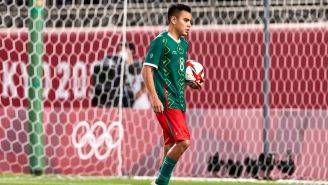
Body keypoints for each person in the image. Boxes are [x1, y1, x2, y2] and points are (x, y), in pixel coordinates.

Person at [142, 4, 203, 185]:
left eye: (190, 21)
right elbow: (147, 70)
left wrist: (190, 82)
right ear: (173, 20)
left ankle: (160, 183)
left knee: (169, 145)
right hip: (166, 100)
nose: (189, 25)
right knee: (184, 142)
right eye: (185, 20)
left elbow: (176, 73)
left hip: (179, 99)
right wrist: (154, 97)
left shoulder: (184, 44)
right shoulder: (161, 41)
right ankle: (160, 181)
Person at [117, 41, 151, 109]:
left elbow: (146, 86)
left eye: (123, 50)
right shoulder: (119, 68)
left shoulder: (138, 66)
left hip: (139, 102)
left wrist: (135, 97)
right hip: (125, 102)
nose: (120, 53)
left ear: (131, 51)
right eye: (119, 51)